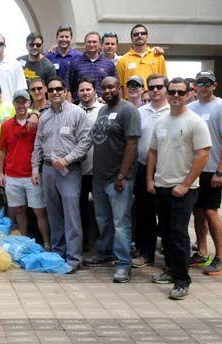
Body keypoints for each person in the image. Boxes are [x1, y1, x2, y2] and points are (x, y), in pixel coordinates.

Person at [147, 77, 211, 300]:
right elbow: (153, 152)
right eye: (172, 92)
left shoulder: (195, 122)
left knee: (178, 234)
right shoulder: (161, 121)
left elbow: (203, 154)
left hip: (184, 189)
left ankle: (182, 280)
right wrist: (150, 179)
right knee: (164, 233)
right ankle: (171, 270)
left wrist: (185, 184)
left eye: (180, 93)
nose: (175, 96)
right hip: (162, 186)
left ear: (189, 94)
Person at [32, 77, 92, 269]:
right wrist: (35, 167)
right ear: (47, 93)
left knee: (71, 214)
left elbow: (85, 141)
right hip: (48, 170)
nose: (55, 92)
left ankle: (74, 259)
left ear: (66, 91)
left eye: (59, 89)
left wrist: (67, 159)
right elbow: (38, 144)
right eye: (51, 90)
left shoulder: (77, 113)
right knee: (54, 213)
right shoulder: (44, 117)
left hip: (69, 170)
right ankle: (59, 254)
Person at [86, 76, 141, 284]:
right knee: (103, 219)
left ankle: (124, 264)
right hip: (99, 177)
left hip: (118, 178)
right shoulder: (103, 110)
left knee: (120, 223)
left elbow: (132, 143)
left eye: (111, 87)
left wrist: (122, 174)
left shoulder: (128, 111)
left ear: (119, 88)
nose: (107, 90)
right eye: (104, 87)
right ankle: (104, 252)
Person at [187, 71, 222, 275]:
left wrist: (221, 170)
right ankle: (202, 251)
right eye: (200, 82)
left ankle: (221, 257)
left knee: (210, 212)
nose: (203, 86)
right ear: (195, 86)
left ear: (215, 85)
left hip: (212, 170)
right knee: (197, 212)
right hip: (194, 170)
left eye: (207, 83)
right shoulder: (190, 107)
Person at [0, 90, 50, 249]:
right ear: (14, 104)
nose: (21, 105)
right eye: (18, 102)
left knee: (39, 211)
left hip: (32, 175)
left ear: (29, 103)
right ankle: (23, 242)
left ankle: (47, 243)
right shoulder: (6, 125)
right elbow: (2, 151)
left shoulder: (38, 122)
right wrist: (0, 173)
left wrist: (35, 114)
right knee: (19, 210)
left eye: (24, 102)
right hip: (12, 175)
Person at [132, 74, 170, 268]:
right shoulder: (140, 112)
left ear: (166, 88)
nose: (155, 90)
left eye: (159, 87)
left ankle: (170, 255)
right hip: (142, 167)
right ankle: (146, 253)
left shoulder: (173, 111)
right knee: (144, 213)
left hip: (166, 169)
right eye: (152, 87)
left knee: (166, 214)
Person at [76, 77, 103, 252]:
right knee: (80, 209)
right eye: (82, 90)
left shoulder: (103, 110)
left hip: (99, 169)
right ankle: (83, 243)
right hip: (78, 170)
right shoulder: (72, 110)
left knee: (101, 210)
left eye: (88, 89)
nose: (85, 93)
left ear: (94, 91)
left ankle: (102, 245)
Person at [117, 24, 167, 98]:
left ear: (147, 36)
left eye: (143, 33)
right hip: (131, 103)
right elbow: (120, 87)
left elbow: (164, 82)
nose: (139, 36)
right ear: (131, 38)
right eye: (136, 34)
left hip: (153, 100)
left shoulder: (158, 57)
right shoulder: (123, 60)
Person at [69, 32, 117, 100]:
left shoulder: (109, 64)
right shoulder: (75, 62)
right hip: (80, 104)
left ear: (100, 44)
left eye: (94, 42)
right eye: (89, 42)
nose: (92, 44)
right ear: (85, 44)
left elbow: (115, 86)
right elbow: (68, 85)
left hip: (103, 104)